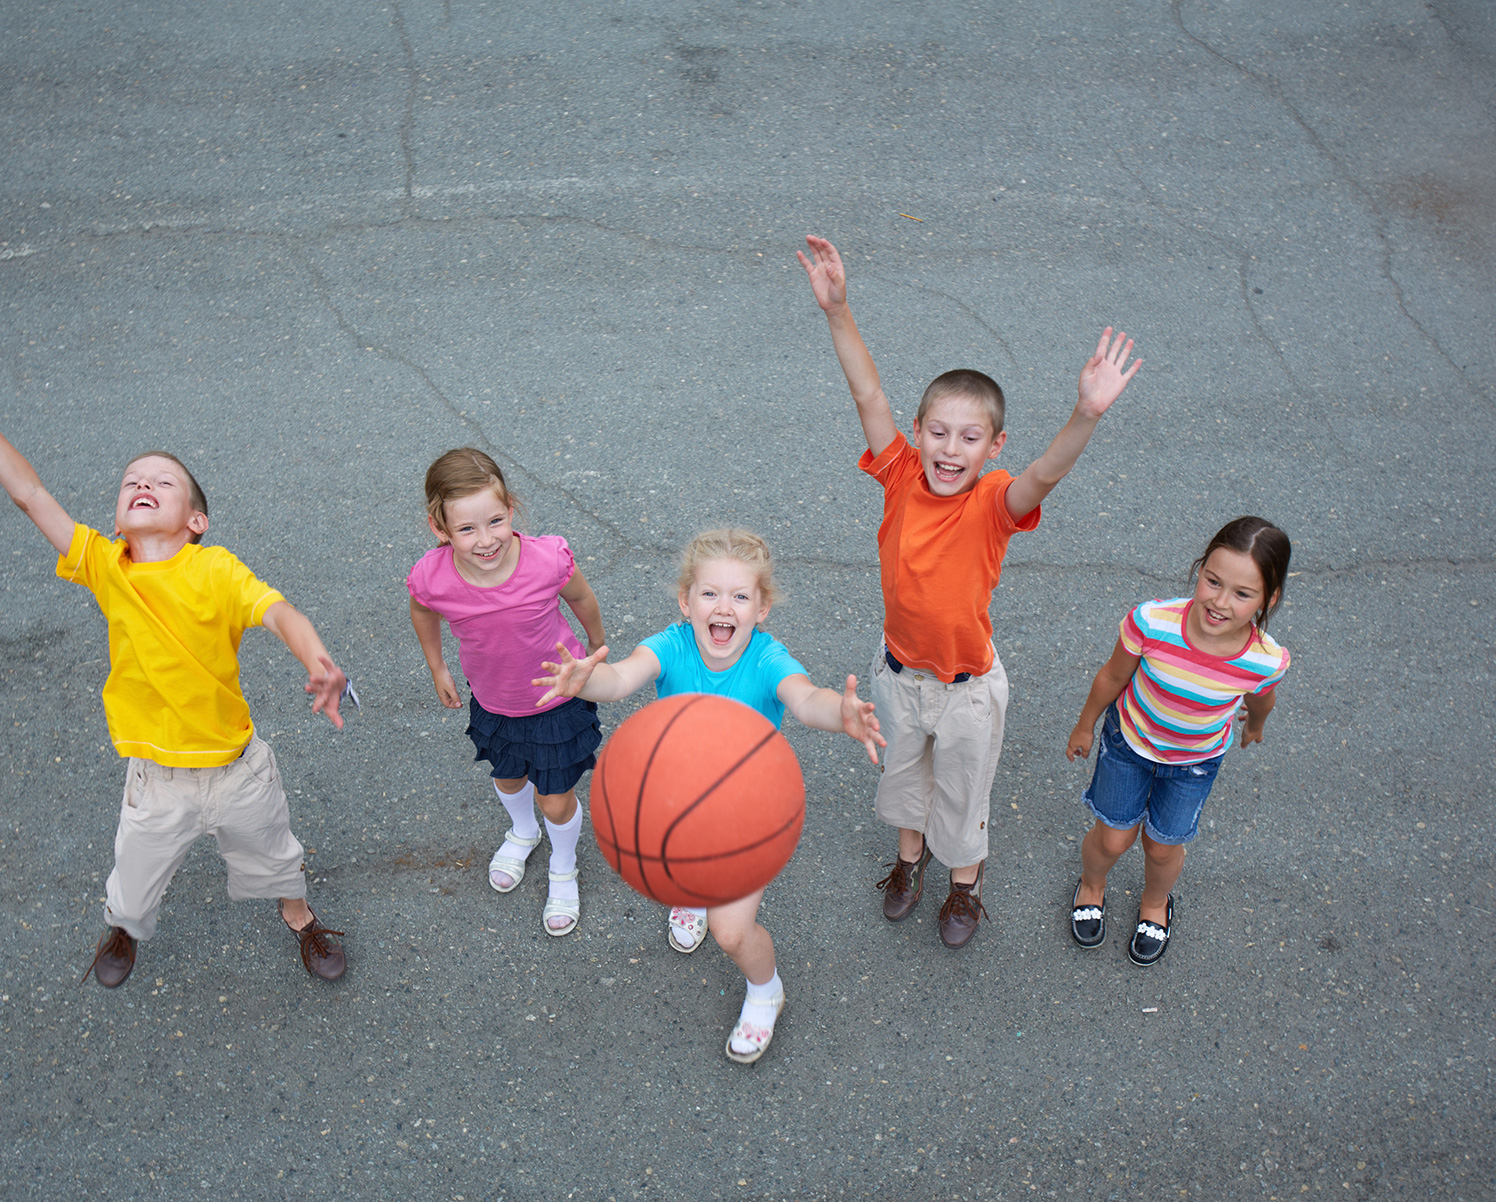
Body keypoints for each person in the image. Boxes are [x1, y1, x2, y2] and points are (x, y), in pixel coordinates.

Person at [0, 331, 351, 988]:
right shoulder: (105, 566)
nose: (143, 483)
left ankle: (300, 917)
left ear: (196, 520)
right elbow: (30, 494)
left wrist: (317, 657)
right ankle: (124, 927)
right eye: (131, 482)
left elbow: (279, 613)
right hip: (157, 780)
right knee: (135, 880)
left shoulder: (216, 570)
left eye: (163, 481)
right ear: (119, 520)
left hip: (237, 770)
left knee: (276, 861)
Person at [799, 233, 1143, 948]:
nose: (951, 450)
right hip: (900, 674)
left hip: (967, 688)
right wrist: (838, 310)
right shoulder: (898, 473)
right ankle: (908, 861)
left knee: (964, 794)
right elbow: (867, 391)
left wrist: (1086, 414)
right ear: (918, 433)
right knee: (903, 784)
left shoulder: (992, 503)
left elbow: (1045, 475)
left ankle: (964, 886)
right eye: (939, 433)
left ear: (995, 447)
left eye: (970, 438)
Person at [534, 528, 884, 1064]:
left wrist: (839, 713)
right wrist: (585, 681)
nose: (724, 607)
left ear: (762, 608)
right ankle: (689, 894)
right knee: (681, 869)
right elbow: (622, 678)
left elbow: (806, 698)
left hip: (748, 814)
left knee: (729, 932)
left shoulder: (767, 659)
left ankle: (766, 990)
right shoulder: (671, 645)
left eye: (740, 596)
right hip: (677, 804)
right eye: (710, 594)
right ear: (686, 601)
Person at [1065, 518, 1292, 965]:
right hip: (1129, 744)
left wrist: (1255, 725)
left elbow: (1261, 700)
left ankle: (1154, 903)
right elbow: (1113, 676)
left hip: (1195, 762)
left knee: (1163, 844)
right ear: (1200, 568)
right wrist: (1085, 724)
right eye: (1213, 581)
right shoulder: (1152, 622)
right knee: (1113, 839)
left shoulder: (1265, 659)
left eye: (1243, 594)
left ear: (1270, 599)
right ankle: (1092, 884)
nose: (1220, 601)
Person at [406, 449, 607, 937]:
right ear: (440, 529)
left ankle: (563, 864)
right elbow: (421, 611)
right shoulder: (432, 577)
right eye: (467, 529)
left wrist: (598, 647)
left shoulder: (545, 559)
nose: (486, 539)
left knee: (556, 798)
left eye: (495, 520)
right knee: (508, 776)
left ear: (511, 508)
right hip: (493, 700)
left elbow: (579, 596)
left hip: (556, 702)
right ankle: (522, 831)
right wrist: (436, 666)